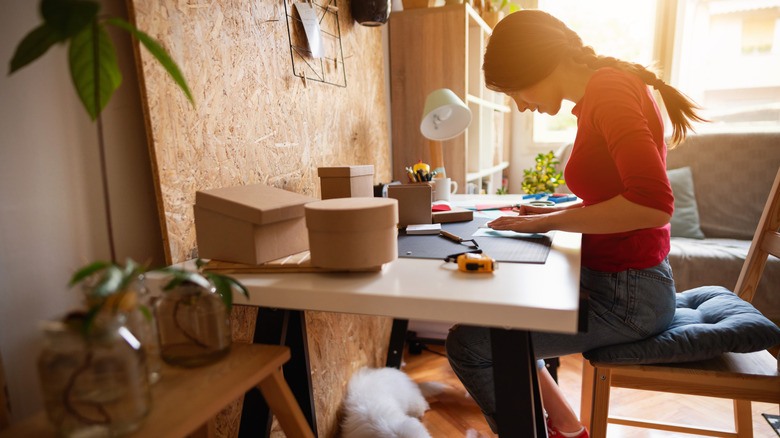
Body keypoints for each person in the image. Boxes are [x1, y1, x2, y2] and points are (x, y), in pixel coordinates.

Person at [445, 9, 706, 438]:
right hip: (624, 285)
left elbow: (654, 205)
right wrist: (548, 217)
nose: (521, 105)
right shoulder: (600, 95)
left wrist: (550, 222)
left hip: (629, 299)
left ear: (537, 65)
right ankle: (567, 428)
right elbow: (611, 197)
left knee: (469, 345)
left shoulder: (610, 90)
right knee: (501, 317)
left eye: (515, 91)